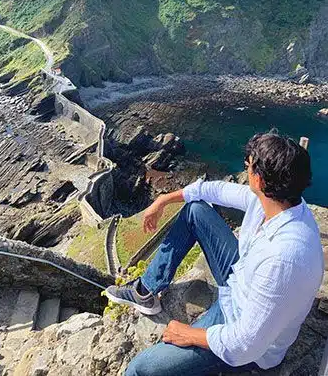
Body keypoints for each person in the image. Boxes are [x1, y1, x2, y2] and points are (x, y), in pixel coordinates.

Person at [105, 131, 324, 375]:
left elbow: (243, 346)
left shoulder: (284, 259)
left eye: (248, 166)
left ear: (259, 181)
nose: (245, 168)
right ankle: (146, 290)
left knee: (139, 369)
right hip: (241, 281)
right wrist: (164, 199)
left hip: (243, 336)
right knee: (195, 211)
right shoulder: (280, 202)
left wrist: (188, 333)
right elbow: (216, 190)